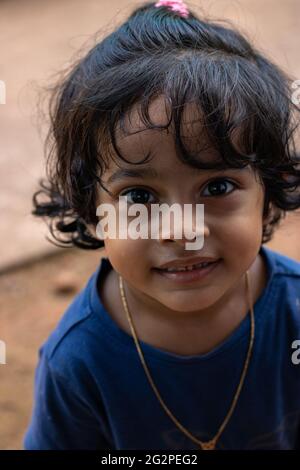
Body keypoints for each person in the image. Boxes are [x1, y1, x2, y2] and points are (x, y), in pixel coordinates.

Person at [24, 0, 300, 450]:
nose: (182, 231)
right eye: (139, 197)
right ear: (91, 205)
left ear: (268, 189)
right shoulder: (79, 361)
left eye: (216, 187)